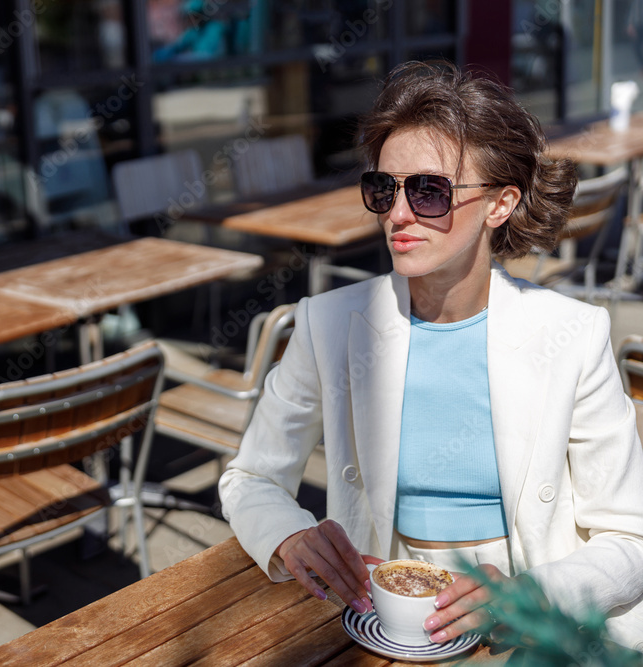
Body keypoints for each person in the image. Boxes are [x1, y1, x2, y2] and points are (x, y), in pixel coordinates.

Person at [219, 60, 643, 648]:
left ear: (500, 204)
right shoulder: (329, 325)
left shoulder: (574, 335)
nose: (397, 214)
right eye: (383, 189)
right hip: (388, 626)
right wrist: (288, 534)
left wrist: (531, 593)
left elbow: (631, 538)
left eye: (428, 190)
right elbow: (250, 477)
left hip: (529, 634)